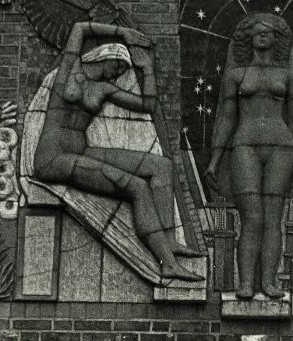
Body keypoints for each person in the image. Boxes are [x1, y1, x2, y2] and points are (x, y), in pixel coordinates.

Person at [33, 21, 203, 281]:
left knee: (161, 166)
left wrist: (147, 69)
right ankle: (167, 264)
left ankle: (170, 240)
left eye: (124, 68)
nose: (119, 71)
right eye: (118, 65)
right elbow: (78, 28)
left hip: (81, 151)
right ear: (104, 56)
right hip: (53, 158)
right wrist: (123, 33)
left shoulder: (104, 88)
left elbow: (148, 105)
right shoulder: (70, 69)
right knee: (137, 187)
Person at [204, 13, 293, 299]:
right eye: (258, 30)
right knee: (252, 218)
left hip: (281, 146)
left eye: (269, 31)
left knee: (273, 219)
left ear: (277, 39)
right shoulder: (236, 75)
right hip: (245, 145)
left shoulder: (289, 76)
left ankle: (268, 282)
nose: (264, 34)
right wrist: (215, 161)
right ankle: (246, 283)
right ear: (249, 37)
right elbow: (227, 118)